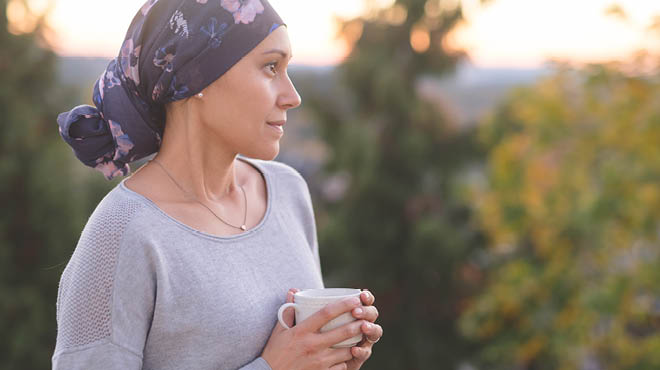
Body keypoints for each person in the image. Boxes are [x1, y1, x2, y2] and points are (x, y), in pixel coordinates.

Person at [52, 0, 383, 369]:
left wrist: (331, 355)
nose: (292, 96)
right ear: (198, 79)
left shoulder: (288, 192)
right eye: (271, 67)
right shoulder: (123, 232)